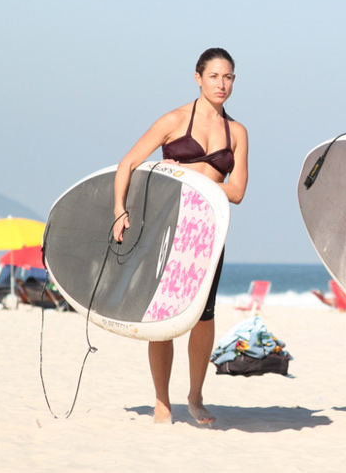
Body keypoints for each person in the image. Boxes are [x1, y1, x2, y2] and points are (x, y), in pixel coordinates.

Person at [113, 48, 248, 424]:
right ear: (198, 78)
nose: (222, 84)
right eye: (214, 76)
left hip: (209, 230)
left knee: (204, 316)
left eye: (229, 78)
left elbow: (237, 190)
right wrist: (119, 211)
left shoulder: (236, 132)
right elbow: (128, 164)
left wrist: (193, 175)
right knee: (164, 315)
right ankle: (161, 401)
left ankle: (196, 396)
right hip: (170, 227)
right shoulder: (173, 120)